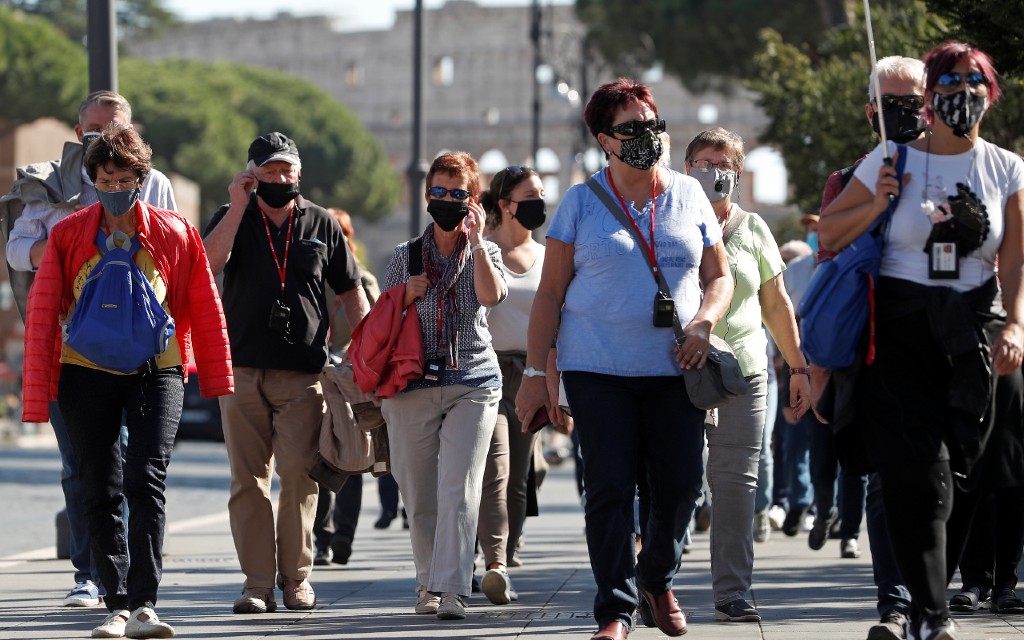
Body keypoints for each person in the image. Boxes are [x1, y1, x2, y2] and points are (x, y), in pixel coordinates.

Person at [820, 41, 1024, 640]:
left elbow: (1015, 263)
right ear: (930, 96)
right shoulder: (893, 157)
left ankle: (930, 603)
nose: (962, 92)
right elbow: (829, 232)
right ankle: (930, 615)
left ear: (990, 92)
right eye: (949, 82)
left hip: (976, 330)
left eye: (973, 81)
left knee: (971, 472)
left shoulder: (1007, 168)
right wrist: (879, 202)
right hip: (901, 332)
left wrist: (1016, 325)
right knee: (918, 476)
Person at [516, 78, 733, 640]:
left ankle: (655, 578)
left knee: (681, 487)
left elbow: (719, 277)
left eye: (652, 125)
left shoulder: (690, 196)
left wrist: (704, 323)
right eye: (632, 128)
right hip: (597, 370)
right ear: (604, 140)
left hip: (677, 367)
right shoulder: (580, 203)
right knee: (609, 489)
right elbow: (550, 294)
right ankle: (615, 609)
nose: (647, 136)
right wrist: (537, 373)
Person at [20, 123, 232, 639]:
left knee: (146, 478)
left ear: (142, 178)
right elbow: (44, 310)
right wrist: (38, 388)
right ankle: (115, 603)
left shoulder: (175, 232)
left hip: (157, 370)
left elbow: (204, 306)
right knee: (99, 484)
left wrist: (217, 375)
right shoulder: (68, 234)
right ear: (93, 180)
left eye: (124, 179)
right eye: (105, 180)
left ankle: (144, 605)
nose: (114, 188)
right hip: (84, 371)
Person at [3, 90, 177, 609]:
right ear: (80, 135)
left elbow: (175, 251)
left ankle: (130, 581)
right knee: (82, 464)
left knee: (136, 469)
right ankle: (90, 574)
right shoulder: (49, 183)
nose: (106, 137)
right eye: (96, 130)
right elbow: (16, 248)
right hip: (69, 346)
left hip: (142, 347)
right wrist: (64, 248)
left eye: (117, 128)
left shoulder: (156, 184)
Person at [203, 132, 370, 614]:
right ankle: (257, 585)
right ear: (251, 174)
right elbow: (209, 263)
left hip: (302, 373)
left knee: (300, 474)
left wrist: (365, 352)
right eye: (270, 170)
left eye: (287, 170)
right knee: (248, 481)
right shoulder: (232, 214)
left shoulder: (321, 222)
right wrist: (238, 205)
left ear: (299, 172)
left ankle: (296, 578)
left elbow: (351, 289)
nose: (280, 178)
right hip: (240, 369)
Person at [817, 55, 927, 640]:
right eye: (893, 104)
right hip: (876, 349)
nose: (907, 111)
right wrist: (877, 202)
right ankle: (897, 604)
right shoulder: (853, 176)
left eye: (916, 101)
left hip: (947, 344)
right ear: (871, 113)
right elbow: (828, 247)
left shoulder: (962, 167)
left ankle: (936, 594)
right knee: (885, 477)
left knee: (943, 477)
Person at [682, 127, 811, 623]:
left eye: (723, 165)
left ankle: (732, 592)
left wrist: (797, 367)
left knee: (736, 484)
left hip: (743, 371)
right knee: (676, 481)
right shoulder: (668, 220)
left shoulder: (753, 228)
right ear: (686, 169)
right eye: (703, 163)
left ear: (738, 174)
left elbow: (776, 305)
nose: (713, 172)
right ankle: (657, 582)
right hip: (679, 369)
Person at [379, 151, 507, 621]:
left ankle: (451, 589)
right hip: (413, 383)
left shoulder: (486, 251)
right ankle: (427, 582)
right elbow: (384, 317)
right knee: (419, 494)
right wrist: (403, 294)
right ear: (426, 195)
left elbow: (492, 296)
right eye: (439, 191)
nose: (446, 200)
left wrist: (477, 243)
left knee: (460, 486)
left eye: (458, 193)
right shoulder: (405, 256)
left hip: (473, 381)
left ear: (473, 200)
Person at [475, 165, 555, 605]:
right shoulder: (480, 249)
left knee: (520, 476)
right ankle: (492, 561)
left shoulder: (548, 255)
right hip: (486, 371)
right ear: (505, 205)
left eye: (542, 193)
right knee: (494, 469)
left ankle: (503, 560)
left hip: (532, 373)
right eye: (531, 195)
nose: (540, 202)